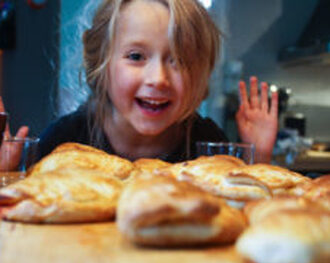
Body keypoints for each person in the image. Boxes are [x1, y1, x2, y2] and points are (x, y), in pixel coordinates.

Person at [0, 0, 278, 169]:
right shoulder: (66, 138)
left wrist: (260, 157)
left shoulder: (206, 141)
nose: (158, 79)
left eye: (179, 60)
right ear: (102, 61)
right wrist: (7, 174)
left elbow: (239, 210)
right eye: (136, 56)